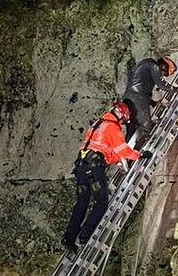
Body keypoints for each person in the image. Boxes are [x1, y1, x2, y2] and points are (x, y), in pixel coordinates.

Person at [62, 101, 151, 252]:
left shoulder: (98, 123)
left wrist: (115, 161)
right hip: (94, 168)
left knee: (81, 203)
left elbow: (102, 149)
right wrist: (140, 155)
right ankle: (85, 235)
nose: (123, 123)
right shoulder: (112, 127)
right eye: (123, 120)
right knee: (101, 202)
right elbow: (123, 150)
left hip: (81, 167)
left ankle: (69, 238)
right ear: (121, 116)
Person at [122, 56, 177, 143]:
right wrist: (176, 89)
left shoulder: (144, 68)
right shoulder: (153, 66)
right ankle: (139, 151)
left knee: (132, 128)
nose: (162, 75)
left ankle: (125, 150)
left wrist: (154, 103)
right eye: (164, 72)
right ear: (163, 65)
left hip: (129, 98)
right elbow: (161, 84)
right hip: (137, 98)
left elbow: (141, 90)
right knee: (145, 126)